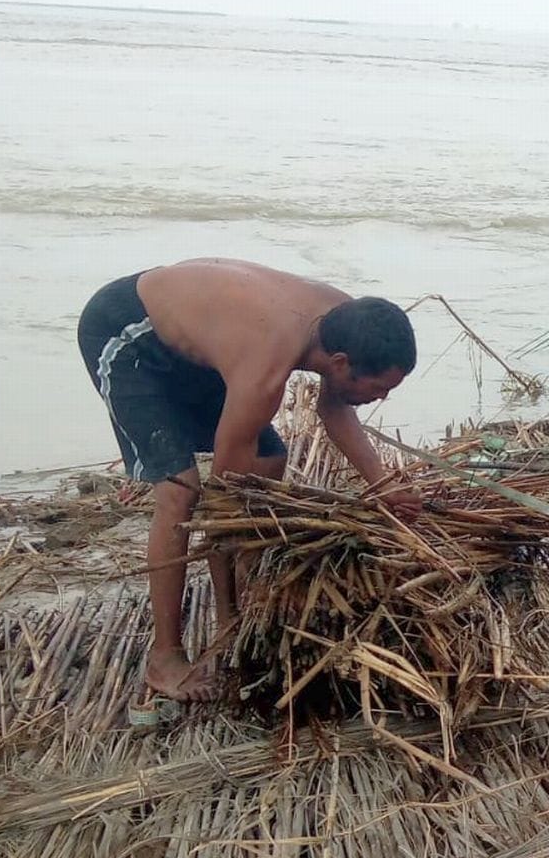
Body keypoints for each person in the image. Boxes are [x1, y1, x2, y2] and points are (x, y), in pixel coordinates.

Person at [77, 259, 420, 703]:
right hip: (128, 331)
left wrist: (384, 485)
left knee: (270, 459)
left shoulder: (350, 322)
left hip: (200, 342)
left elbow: (334, 408)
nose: (382, 397)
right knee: (180, 490)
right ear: (339, 363)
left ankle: (238, 606)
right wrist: (228, 620)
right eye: (378, 388)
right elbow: (225, 504)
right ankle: (165, 656)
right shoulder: (266, 364)